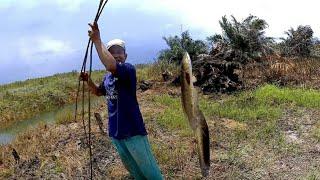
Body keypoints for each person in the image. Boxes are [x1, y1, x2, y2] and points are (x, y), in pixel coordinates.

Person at [79, 21, 163, 180]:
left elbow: (111, 65)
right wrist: (88, 81)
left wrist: (97, 40)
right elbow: (98, 92)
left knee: (149, 170)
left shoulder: (128, 70)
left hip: (133, 131)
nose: (116, 55)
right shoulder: (107, 78)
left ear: (126, 56)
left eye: (120, 52)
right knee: (134, 169)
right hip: (116, 133)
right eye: (112, 52)